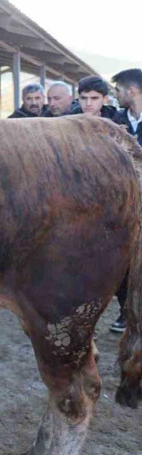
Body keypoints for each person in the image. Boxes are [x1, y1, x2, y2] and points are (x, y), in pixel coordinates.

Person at [107, 68, 142, 333]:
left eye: (118, 90)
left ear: (131, 91)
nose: (116, 95)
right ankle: (126, 311)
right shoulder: (114, 123)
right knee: (123, 260)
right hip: (123, 204)